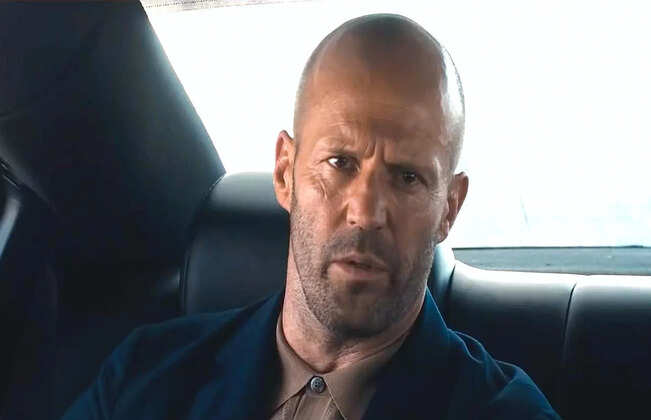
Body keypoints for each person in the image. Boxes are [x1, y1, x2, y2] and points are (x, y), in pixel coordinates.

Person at [63, 13, 559, 420]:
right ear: (285, 173)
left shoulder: (506, 413)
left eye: (407, 177)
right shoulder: (144, 380)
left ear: (448, 207)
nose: (365, 212)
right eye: (340, 163)